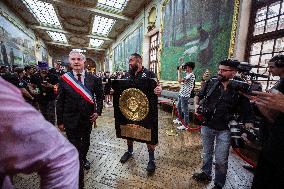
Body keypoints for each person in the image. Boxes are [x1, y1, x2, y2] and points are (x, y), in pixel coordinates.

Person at [0, 77, 79, 189]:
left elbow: (62, 156)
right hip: (43, 101)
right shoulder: (35, 77)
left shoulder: (55, 75)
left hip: (51, 102)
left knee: (49, 121)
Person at [192, 59, 254, 189]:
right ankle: (206, 173)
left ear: (234, 72)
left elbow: (247, 109)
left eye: (224, 70)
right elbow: (199, 95)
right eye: (219, 69)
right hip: (207, 124)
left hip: (225, 129)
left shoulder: (240, 87)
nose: (219, 72)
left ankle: (219, 184)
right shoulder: (212, 81)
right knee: (207, 153)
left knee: (221, 160)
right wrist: (196, 104)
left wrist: (248, 126)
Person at [56, 50, 103, 188]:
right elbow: (60, 101)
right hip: (70, 118)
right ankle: (77, 163)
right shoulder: (64, 78)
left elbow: (99, 97)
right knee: (73, 144)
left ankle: (83, 158)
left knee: (86, 141)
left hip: (87, 118)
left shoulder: (93, 78)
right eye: (73, 59)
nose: (76, 62)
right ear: (70, 62)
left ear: (84, 61)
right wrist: (60, 121)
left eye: (78, 59)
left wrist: (97, 111)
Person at [119, 53, 162, 173]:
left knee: (149, 135)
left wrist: (159, 89)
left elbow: (158, 86)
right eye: (129, 61)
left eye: (131, 60)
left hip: (147, 112)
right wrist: (115, 90)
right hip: (130, 111)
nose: (129, 63)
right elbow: (122, 90)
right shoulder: (127, 75)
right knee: (129, 131)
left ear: (139, 61)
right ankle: (129, 151)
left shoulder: (149, 74)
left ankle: (151, 159)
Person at [251, 55, 284, 188]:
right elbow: (273, 116)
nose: (269, 70)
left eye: (272, 67)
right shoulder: (279, 83)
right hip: (275, 137)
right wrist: (260, 105)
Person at [174, 61, 195, 130]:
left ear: (190, 68)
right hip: (181, 93)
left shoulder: (191, 75)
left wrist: (179, 72)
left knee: (185, 110)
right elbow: (181, 68)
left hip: (185, 95)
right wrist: (181, 63)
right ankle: (179, 119)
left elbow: (179, 80)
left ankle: (185, 125)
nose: (185, 68)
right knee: (178, 107)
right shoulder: (187, 73)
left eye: (187, 67)